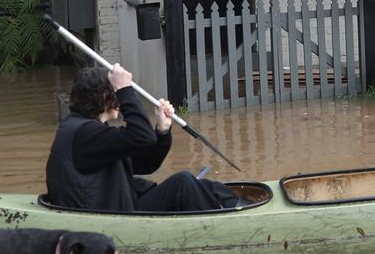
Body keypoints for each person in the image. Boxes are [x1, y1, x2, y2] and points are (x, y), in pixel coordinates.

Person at [46, 64, 238, 212]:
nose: (120, 102)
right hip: (115, 214)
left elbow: (144, 164)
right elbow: (142, 137)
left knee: (204, 186)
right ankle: (227, 222)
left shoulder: (88, 130)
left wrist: (162, 130)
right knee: (184, 183)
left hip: (121, 201)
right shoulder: (85, 134)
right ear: (105, 98)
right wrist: (125, 90)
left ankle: (236, 207)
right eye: (117, 96)